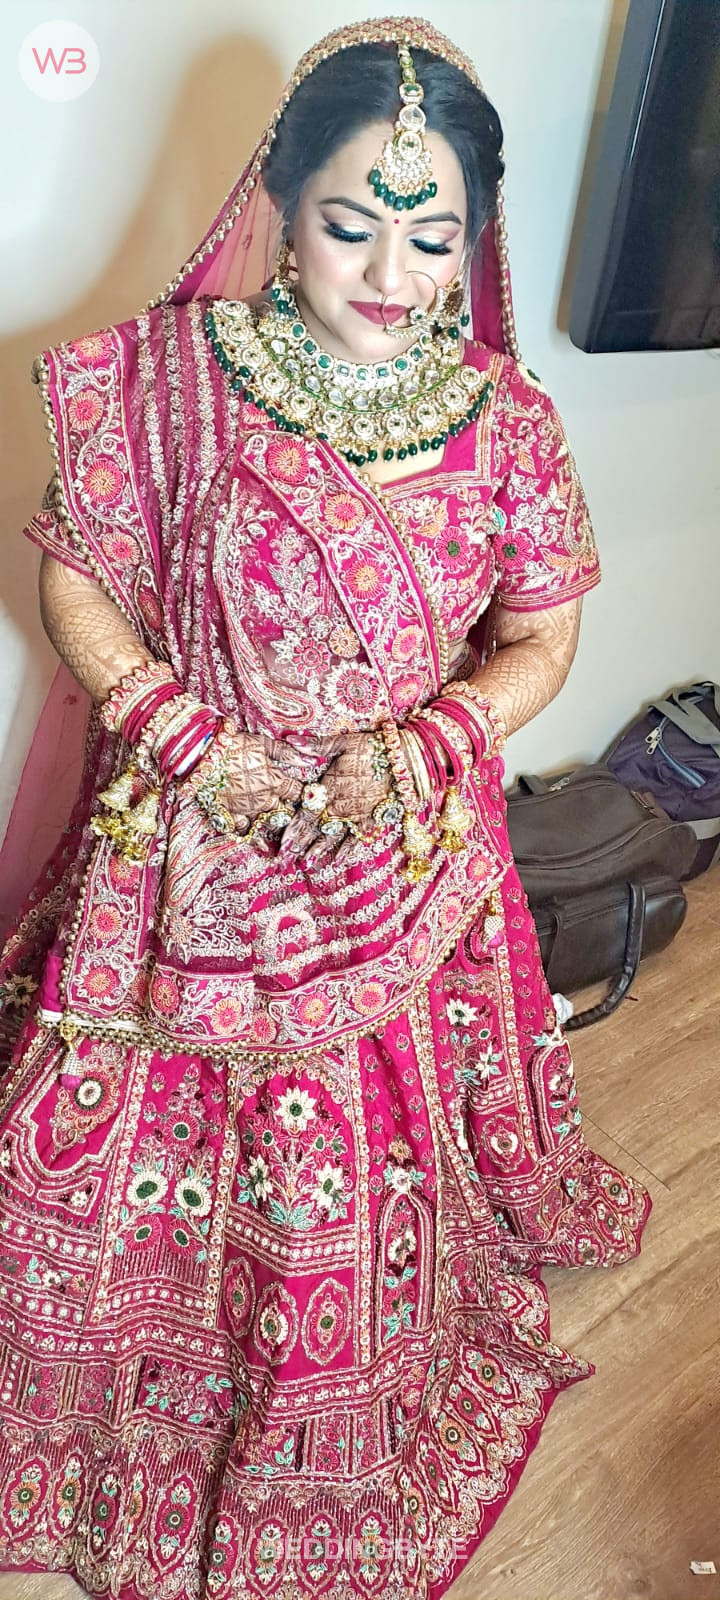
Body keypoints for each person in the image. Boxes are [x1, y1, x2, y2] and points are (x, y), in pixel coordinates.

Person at [0, 18, 650, 1600]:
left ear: (474, 240)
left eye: (434, 236)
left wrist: (427, 750)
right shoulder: (174, 380)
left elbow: (543, 638)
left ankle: (320, 1404)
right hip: (184, 840)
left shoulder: (505, 421)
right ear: (281, 207)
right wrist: (172, 728)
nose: (391, 268)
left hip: (396, 850)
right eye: (353, 222)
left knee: (346, 1170)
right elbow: (77, 575)